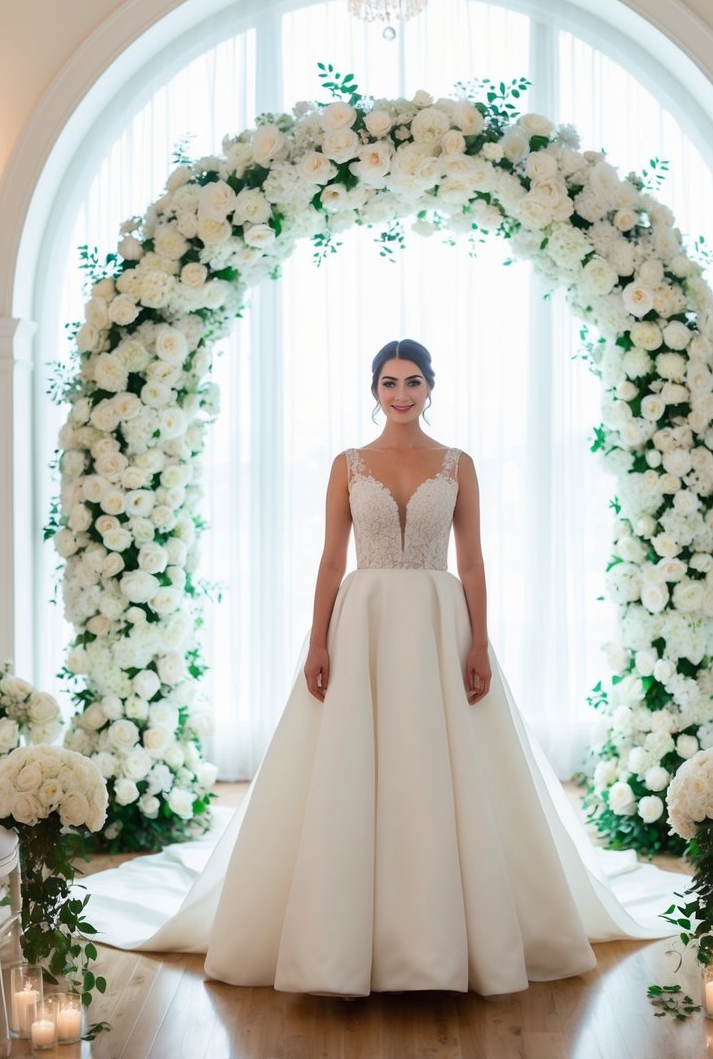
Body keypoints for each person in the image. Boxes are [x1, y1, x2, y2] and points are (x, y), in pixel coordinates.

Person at [81, 339, 679, 995]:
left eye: (413, 381)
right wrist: (317, 641)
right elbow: (331, 560)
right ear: (373, 390)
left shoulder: (458, 465)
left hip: (434, 617)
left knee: (436, 760)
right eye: (389, 382)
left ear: (430, 388)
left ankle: (448, 937)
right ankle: (341, 939)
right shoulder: (347, 464)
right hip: (360, 619)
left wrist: (479, 644)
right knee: (353, 759)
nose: (401, 393)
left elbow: (473, 562)